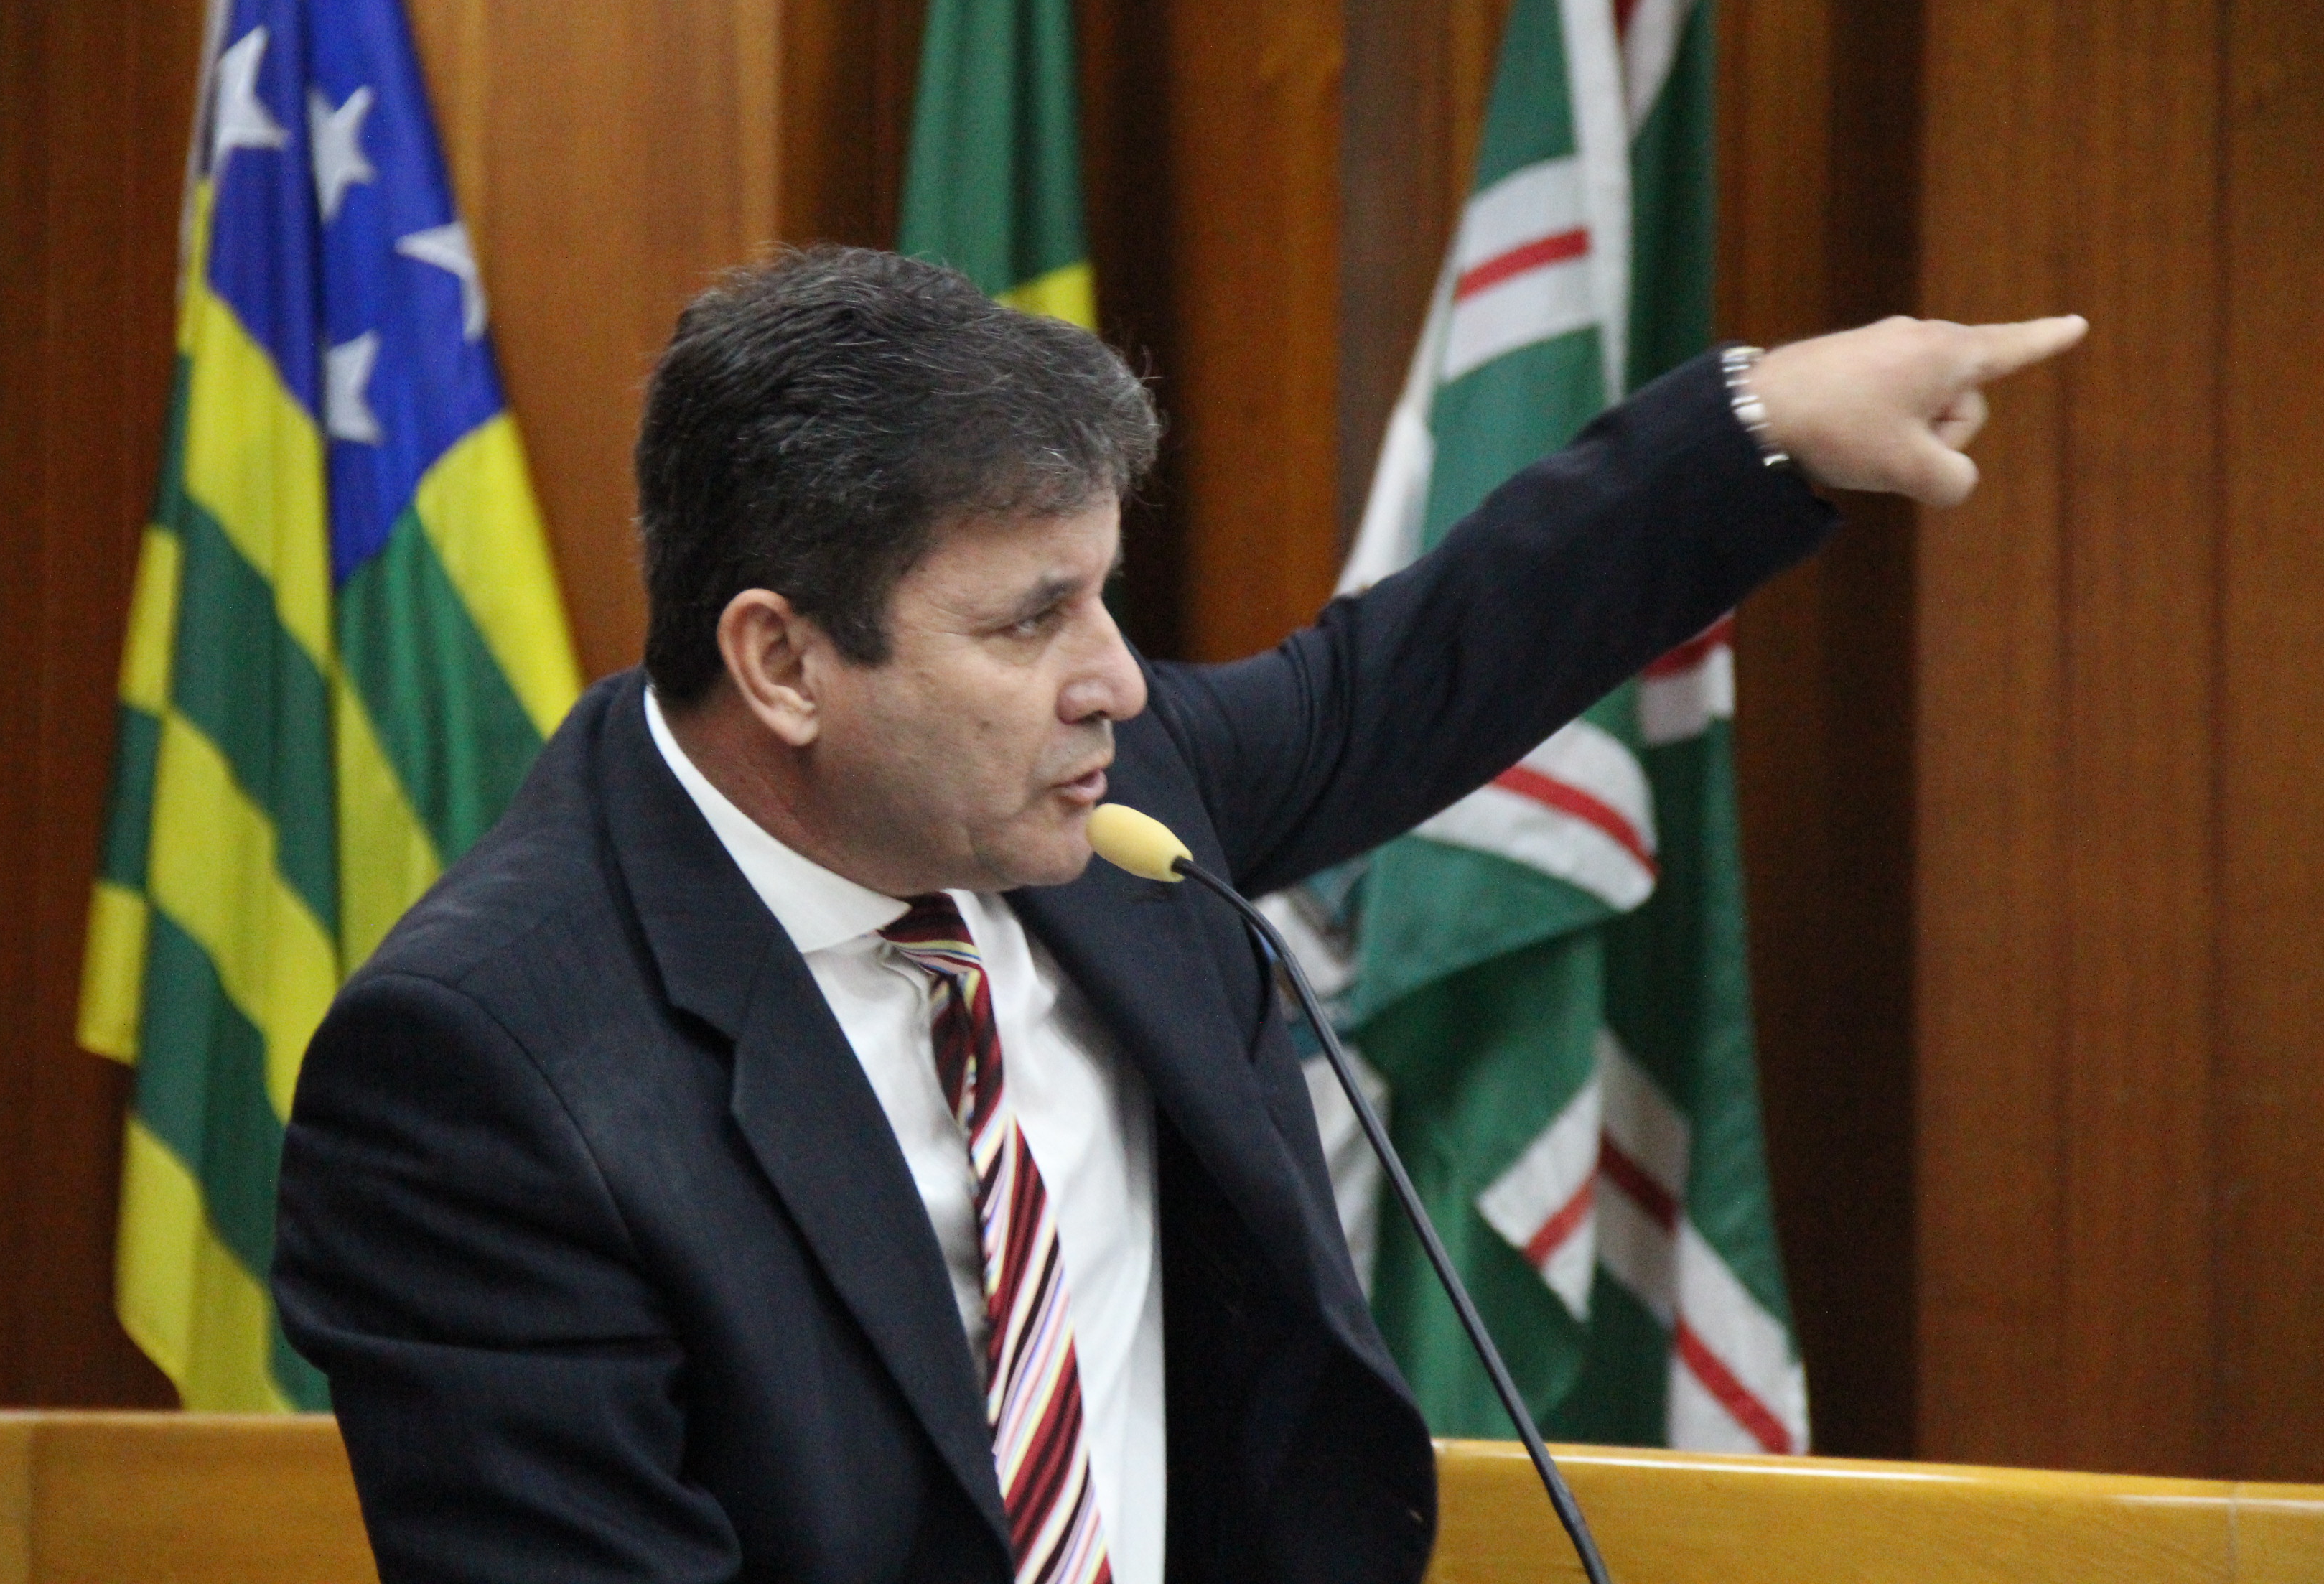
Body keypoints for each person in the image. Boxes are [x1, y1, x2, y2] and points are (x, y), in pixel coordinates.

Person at [272, 247, 2083, 1584]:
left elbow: (1400, 679)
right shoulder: (486, 1073)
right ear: (784, 661)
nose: (1119, 685)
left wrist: (1766, 429)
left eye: (1106, 599)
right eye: (1029, 619)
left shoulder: (1098, 802)